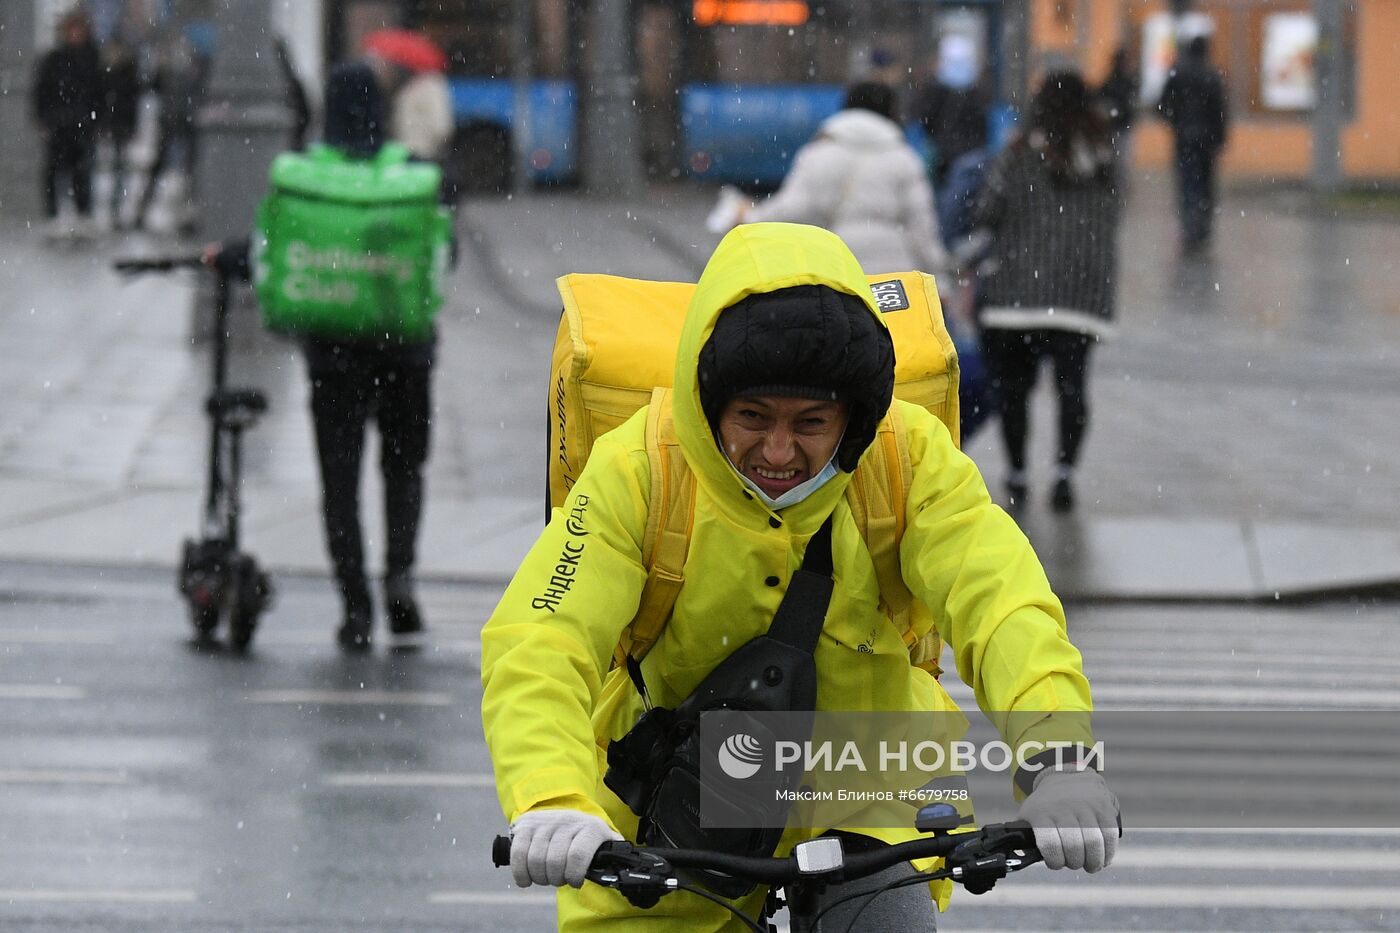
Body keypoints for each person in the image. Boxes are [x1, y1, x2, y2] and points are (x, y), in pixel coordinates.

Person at [482, 222, 1120, 929]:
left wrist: (1058, 753)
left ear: (852, 418)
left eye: (811, 422)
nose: (779, 450)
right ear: (708, 403)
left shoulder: (906, 458)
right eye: (752, 416)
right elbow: (540, 640)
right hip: (681, 782)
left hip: (867, 767)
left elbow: (1001, 599)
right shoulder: (641, 468)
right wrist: (551, 797)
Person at [209, 64, 446, 652]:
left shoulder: (306, 176)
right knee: (403, 469)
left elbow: (273, 254)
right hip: (405, 354)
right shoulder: (412, 175)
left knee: (340, 483)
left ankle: (355, 606)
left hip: (332, 357)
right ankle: (400, 577)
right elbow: (444, 257)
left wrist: (226, 257)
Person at [966, 71, 1121, 514]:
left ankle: (1017, 472)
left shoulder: (1017, 155)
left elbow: (986, 212)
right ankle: (1064, 475)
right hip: (1080, 298)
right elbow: (1112, 220)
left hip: (1015, 297)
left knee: (1012, 389)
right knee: (1072, 387)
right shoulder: (1104, 160)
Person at [730, 81, 949, 277]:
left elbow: (793, 208)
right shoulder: (905, 159)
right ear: (890, 113)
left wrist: (751, 216)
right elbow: (922, 229)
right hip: (894, 275)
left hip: (839, 268)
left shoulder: (818, 153)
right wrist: (941, 280)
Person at [31, 9, 105, 238]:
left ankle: (83, 215)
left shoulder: (92, 58)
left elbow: (100, 92)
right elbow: (42, 91)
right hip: (60, 124)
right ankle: (54, 216)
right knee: (54, 171)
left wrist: (97, 120)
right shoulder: (54, 59)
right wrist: (44, 118)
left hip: (83, 125)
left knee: (82, 172)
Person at [1156, 35, 1229, 255]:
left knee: (1188, 184)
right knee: (1205, 185)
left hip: (1185, 138)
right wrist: (1219, 138)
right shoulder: (1211, 75)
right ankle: (1201, 229)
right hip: (1206, 141)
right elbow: (1220, 110)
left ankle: (1190, 228)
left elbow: (1162, 105)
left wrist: (1177, 122)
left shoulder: (1179, 73)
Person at [134, 31, 209, 232]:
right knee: (162, 167)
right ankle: (143, 211)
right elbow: (151, 86)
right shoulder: (171, 72)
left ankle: (187, 214)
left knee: (189, 171)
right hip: (172, 124)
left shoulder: (197, 70)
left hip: (186, 125)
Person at [914, 34, 990, 187]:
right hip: (970, 157)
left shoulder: (935, 90)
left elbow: (926, 120)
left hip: (944, 158)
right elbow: (982, 124)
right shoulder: (976, 92)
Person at [100, 34, 142, 229]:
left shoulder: (126, 71)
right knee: (114, 167)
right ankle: (112, 208)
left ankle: (116, 208)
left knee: (120, 167)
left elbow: (132, 101)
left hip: (121, 124)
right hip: (112, 123)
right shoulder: (107, 72)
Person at [1097, 47, 1139, 172]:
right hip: (1118, 124)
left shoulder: (1117, 80)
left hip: (1118, 123)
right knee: (1120, 158)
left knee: (1119, 158)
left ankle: (1119, 184)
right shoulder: (1120, 81)